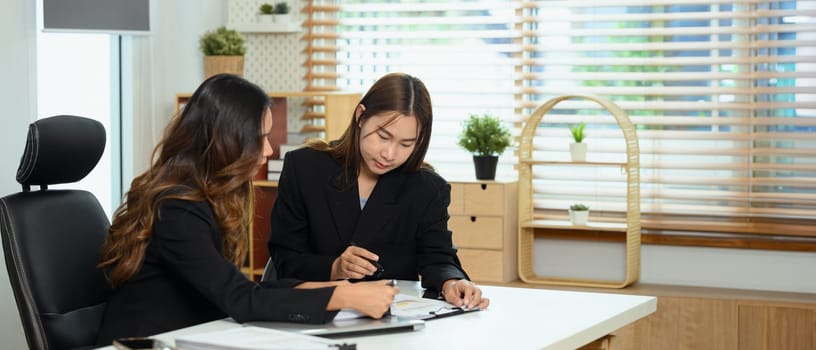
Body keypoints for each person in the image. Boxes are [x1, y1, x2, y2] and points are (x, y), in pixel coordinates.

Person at [95, 74, 397, 345]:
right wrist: (342, 296)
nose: (267, 150)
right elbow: (239, 298)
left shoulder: (206, 199)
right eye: (261, 137)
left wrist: (328, 287)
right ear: (228, 139)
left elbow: (240, 288)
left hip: (189, 336)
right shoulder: (175, 210)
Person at [268, 72, 489, 310]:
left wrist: (451, 282)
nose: (390, 154)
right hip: (314, 312)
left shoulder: (427, 188)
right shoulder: (305, 168)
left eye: (406, 144)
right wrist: (335, 267)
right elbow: (286, 258)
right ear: (361, 116)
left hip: (389, 320)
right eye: (383, 136)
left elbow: (437, 256)